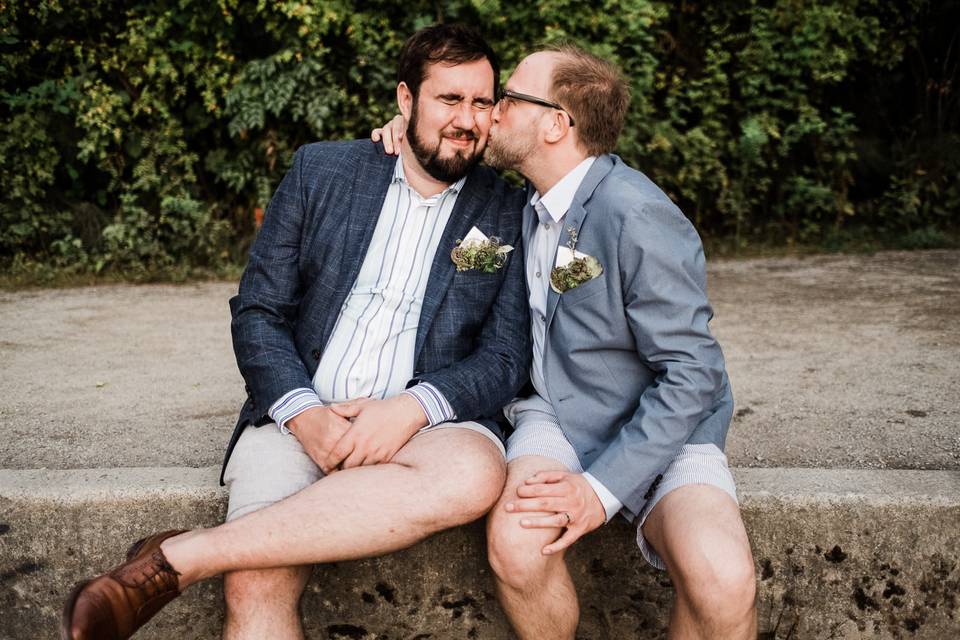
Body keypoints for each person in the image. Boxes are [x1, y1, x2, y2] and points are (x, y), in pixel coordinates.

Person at [60, 24, 531, 640]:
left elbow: (504, 355)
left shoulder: (511, 208)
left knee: (474, 474)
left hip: (429, 430)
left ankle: (180, 557)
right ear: (405, 100)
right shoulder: (323, 171)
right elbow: (258, 310)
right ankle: (211, 552)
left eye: (481, 102)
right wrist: (304, 413)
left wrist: (412, 409)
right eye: (449, 99)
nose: (466, 119)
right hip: (297, 413)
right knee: (255, 582)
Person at [373, 44, 757, 639]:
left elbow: (692, 374)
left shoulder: (636, 214)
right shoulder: (524, 201)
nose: (491, 112)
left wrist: (598, 491)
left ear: (556, 123)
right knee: (518, 545)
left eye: (507, 98)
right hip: (553, 415)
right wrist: (405, 131)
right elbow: (458, 239)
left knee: (723, 579)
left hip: (658, 423)